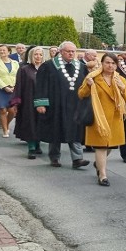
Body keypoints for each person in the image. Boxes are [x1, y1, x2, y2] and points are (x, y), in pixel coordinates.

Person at [78, 53, 126, 186]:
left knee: (111, 146)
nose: (110, 65)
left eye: (113, 63)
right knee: (101, 147)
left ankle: (99, 163)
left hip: (115, 118)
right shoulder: (93, 77)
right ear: (102, 64)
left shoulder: (120, 79)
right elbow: (81, 94)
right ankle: (102, 175)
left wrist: (122, 88)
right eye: (107, 62)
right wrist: (88, 85)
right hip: (99, 118)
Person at [34, 41, 90, 169]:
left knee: (75, 131)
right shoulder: (48, 66)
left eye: (73, 51)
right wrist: (41, 103)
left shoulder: (81, 67)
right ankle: (54, 157)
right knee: (56, 130)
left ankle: (77, 159)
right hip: (56, 104)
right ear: (61, 52)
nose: (71, 54)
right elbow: (41, 85)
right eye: (68, 51)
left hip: (75, 105)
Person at [12, 46, 45, 159]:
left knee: (41, 123)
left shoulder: (46, 69)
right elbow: (19, 86)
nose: (38, 57)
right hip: (28, 101)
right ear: (31, 56)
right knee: (30, 123)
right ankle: (31, 147)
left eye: (40, 54)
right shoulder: (24, 69)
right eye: (36, 54)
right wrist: (16, 102)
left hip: (44, 101)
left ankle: (38, 144)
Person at [0, 45, 19, 138]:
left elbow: (18, 75)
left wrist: (15, 86)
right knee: (2, 109)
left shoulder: (15, 63)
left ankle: (5, 123)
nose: (2, 52)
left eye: (4, 50)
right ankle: (5, 130)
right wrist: (4, 87)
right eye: (0, 50)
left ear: (9, 52)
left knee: (12, 111)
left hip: (13, 88)